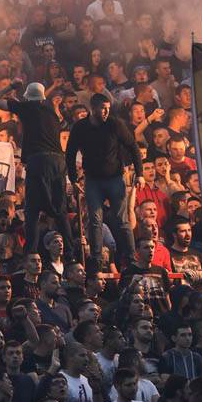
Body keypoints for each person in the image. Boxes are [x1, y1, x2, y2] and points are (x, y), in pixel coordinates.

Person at [0, 81, 73, 257]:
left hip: (38, 160)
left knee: (32, 210)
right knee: (60, 211)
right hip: (58, 161)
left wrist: (11, 86)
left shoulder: (26, 108)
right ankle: (71, 253)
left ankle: (30, 252)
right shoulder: (51, 112)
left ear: (28, 97)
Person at [66, 93, 143, 274]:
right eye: (103, 108)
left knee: (122, 220)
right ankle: (97, 260)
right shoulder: (81, 127)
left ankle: (131, 259)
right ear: (93, 109)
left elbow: (133, 147)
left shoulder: (115, 124)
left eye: (108, 108)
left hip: (115, 178)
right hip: (93, 180)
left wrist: (140, 174)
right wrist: (73, 178)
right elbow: (69, 153)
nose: (107, 112)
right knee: (95, 221)